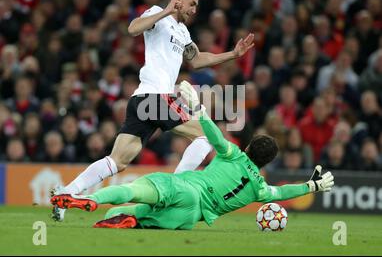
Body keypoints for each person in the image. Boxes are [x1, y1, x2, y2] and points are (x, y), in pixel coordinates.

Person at [51, 0, 255, 221]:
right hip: (155, 97)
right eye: (192, 4)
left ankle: (65, 193)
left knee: (117, 161)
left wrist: (232, 54)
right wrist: (167, 10)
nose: (194, 10)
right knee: (206, 136)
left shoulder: (183, 32)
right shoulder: (157, 14)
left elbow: (197, 60)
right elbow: (133, 29)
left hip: (144, 100)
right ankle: (176, 188)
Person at [51, 81, 334, 230]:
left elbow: (212, 135)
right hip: (190, 215)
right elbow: (281, 192)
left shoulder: (234, 154)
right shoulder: (260, 188)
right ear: (266, 163)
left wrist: (198, 106)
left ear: (248, 148)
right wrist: (312, 186)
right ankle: (134, 219)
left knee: (128, 192)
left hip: (182, 186)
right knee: (131, 216)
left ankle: (84, 198)